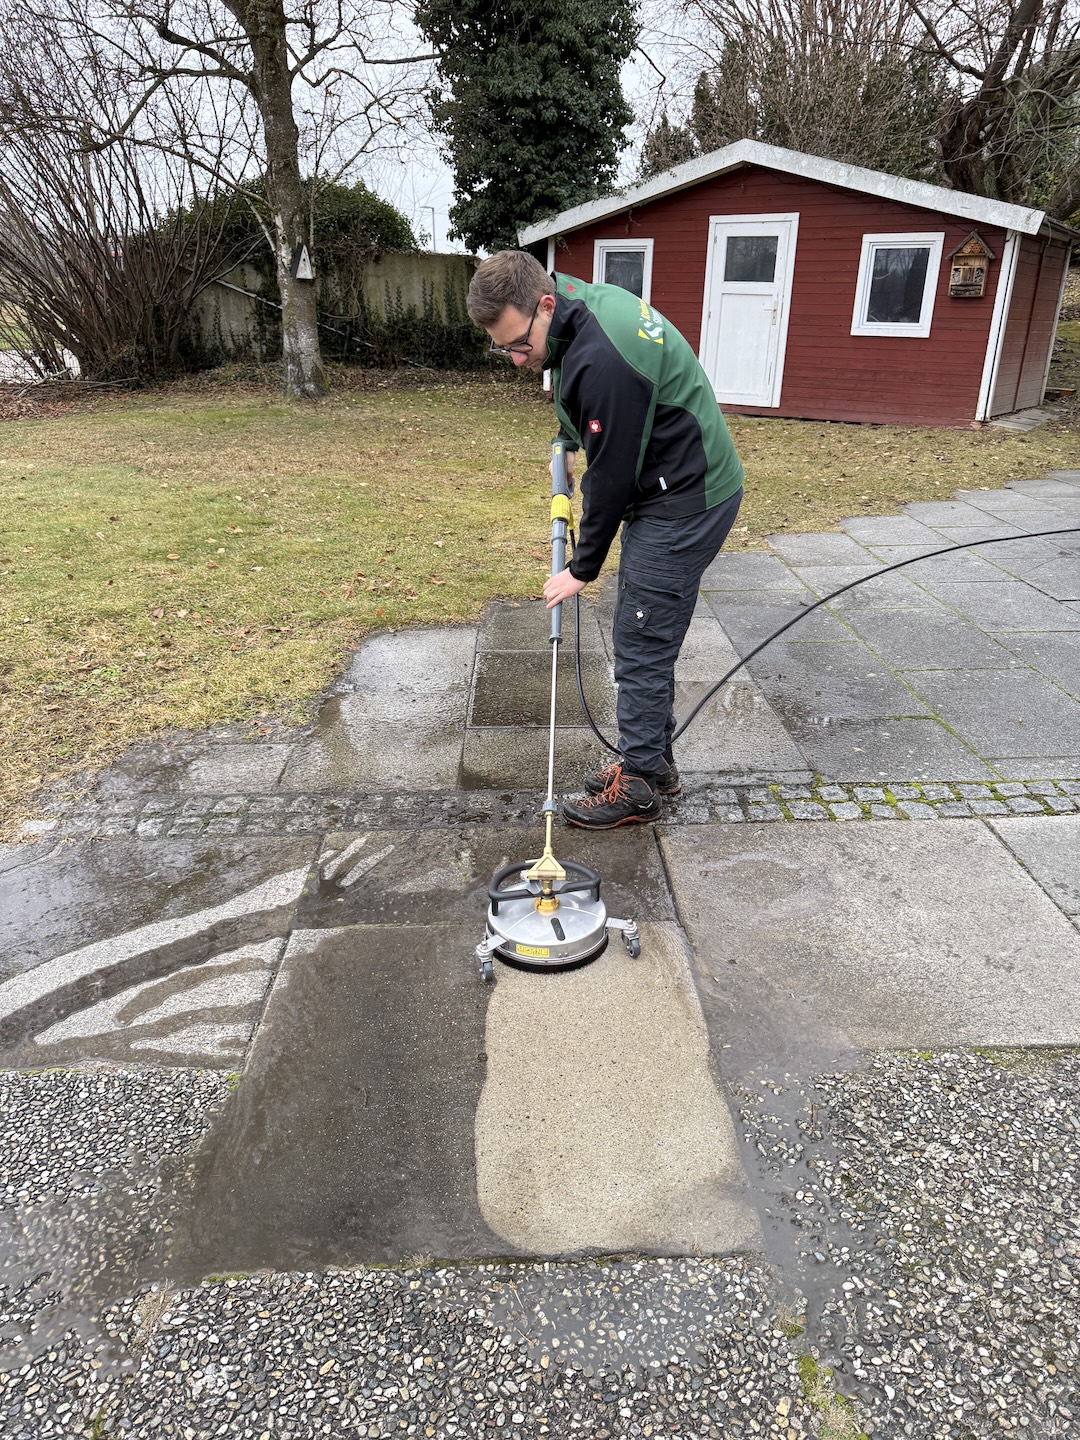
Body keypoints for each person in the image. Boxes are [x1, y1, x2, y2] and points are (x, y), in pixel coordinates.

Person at [467, 250, 744, 829]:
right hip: (679, 478)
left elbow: (612, 478)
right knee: (650, 627)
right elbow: (587, 407)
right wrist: (567, 442)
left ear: (545, 304)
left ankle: (640, 783)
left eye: (519, 344)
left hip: (685, 498)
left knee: (640, 634)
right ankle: (654, 762)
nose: (517, 361)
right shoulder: (571, 305)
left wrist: (580, 567)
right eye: (504, 349)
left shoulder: (605, 357)